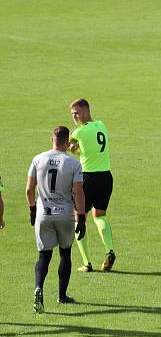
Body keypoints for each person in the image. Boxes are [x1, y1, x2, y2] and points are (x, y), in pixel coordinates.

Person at [26, 126, 86, 313]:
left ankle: (38, 288)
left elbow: (29, 189)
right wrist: (82, 218)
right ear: (67, 143)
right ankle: (62, 296)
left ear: (51, 139)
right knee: (65, 254)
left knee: (44, 256)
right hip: (65, 215)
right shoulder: (73, 163)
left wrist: (32, 209)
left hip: (44, 214)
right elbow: (79, 194)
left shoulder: (38, 159)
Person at [68, 98, 116, 272]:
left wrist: (74, 148)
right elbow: (90, 150)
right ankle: (109, 250)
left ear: (86, 111)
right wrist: (80, 150)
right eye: (72, 114)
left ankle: (87, 263)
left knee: (79, 218)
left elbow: (66, 144)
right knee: (100, 216)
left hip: (88, 178)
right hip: (106, 177)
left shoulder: (79, 132)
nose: (74, 116)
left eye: (76, 113)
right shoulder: (101, 125)